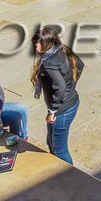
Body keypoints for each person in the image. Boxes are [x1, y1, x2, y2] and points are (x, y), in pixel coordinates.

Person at [32, 24, 82, 166]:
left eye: (38, 43)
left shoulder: (48, 63)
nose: (35, 46)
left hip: (62, 110)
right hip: (72, 102)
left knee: (59, 150)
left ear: (47, 44)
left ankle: (70, 177)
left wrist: (52, 110)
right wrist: (71, 86)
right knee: (51, 141)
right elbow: (80, 64)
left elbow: (60, 87)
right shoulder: (62, 50)